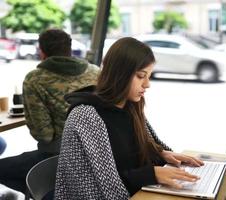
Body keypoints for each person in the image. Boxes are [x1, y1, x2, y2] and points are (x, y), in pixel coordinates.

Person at [55, 37, 204, 199]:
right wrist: (151, 174)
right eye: (141, 76)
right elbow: (107, 187)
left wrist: (160, 154)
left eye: (149, 76)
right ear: (120, 75)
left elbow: (137, 151)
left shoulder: (130, 105)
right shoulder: (86, 116)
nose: (147, 84)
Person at [0, 28, 99, 193]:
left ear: (42, 51)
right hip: (96, 153)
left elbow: (44, 136)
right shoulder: (95, 71)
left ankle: (50, 192)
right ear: (69, 48)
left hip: (56, 156)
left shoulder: (35, 79)